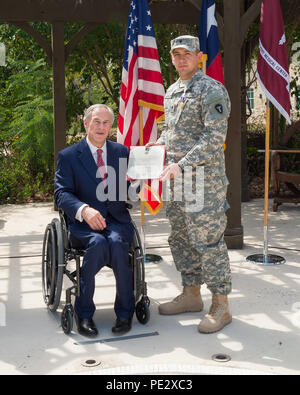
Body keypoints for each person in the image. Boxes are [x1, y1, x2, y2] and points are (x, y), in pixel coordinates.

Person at [147, 35, 232, 333]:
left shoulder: (211, 90)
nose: (181, 59)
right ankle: (191, 295)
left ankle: (221, 305)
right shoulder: (172, 91)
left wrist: (179, 165)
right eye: (176, 55)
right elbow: (172, 132)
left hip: (203, 183)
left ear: (199, 57)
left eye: (187, 54)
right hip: (176, 183)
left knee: (208, 241)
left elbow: (214, 138)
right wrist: (156, 146)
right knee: (181, 237)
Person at [54, 104, 135, 337]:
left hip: (117, 221)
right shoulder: (69, 156)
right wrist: (84, 210)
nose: (101, 127)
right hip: (83, 224)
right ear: (86, 123)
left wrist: (143, 168)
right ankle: (85, 312)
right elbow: (61, 193)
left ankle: (124, 313)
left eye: (106, 123)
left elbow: (128, 189)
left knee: (118, 243)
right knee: (98, 244)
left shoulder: (122, 152)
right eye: (96, 122)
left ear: (112, 126)